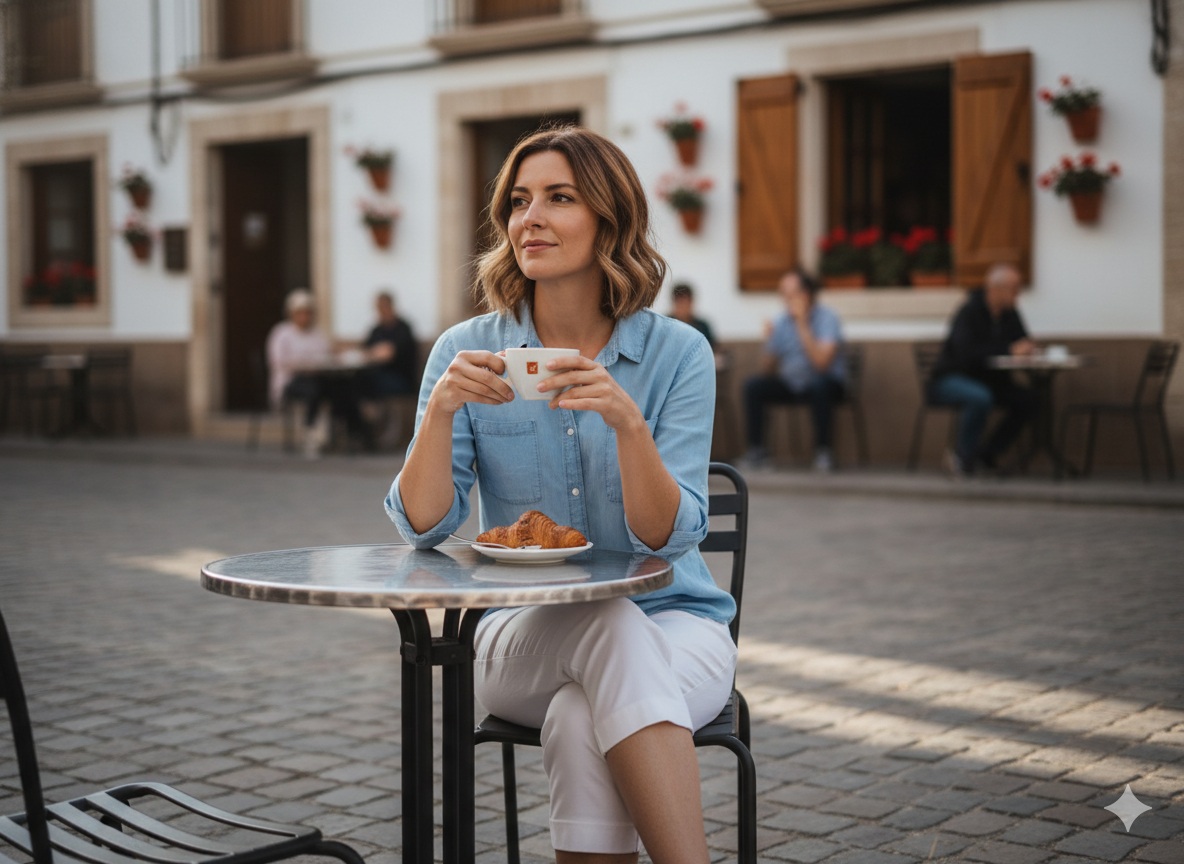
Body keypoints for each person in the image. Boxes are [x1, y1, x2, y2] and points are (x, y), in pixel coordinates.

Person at [384, 126, 735, 864]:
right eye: (518, 201)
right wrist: (441, 411)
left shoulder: (678, 355)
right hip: (520, 636)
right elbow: (423, 526)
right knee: (605, 621)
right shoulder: (464, 351)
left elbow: (668, 538)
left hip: (678, 626)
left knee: (581, 715)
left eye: (559, 198)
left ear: (610, 219)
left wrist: (628, 423)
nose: (530, 219)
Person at [928, 262, 1039, 477]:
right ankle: (963, 457)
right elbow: (966, 353)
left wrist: (1026, 348)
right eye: (1014, 288)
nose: (1018, 294)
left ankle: (987, 454)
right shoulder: (970, 312)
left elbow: (1021, 340)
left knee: (1029, 400)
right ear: (995, 288)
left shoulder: (1010, 314)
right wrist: (1009, 349)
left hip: (990, 380)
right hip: (951, 378)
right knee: (979, 397)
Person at [740, 268, 847, 472]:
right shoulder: (780, 321)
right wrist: (770, 341)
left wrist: (802, 323)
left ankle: (823, 452)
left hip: (826, 383)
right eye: (783, 294)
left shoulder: (828, 318)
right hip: (791, 383)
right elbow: (767, 369)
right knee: (754, 386)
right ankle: (757, 451)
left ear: (805, 294)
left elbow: (822, 364)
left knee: (819, 386)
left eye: (789, 294)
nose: (785, 299)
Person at [266, 289, 368, 458]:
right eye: (301, 313)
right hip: (291, 381)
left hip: (318, 378)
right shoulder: (281, 333)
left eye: (308, 313)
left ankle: (350, 432)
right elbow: (278, 362)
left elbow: (327, 355)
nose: (305, 317)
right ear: (292, 314)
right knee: (313, 389)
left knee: (343, 387)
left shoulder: (317, 334)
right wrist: (306, 365)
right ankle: (311, 433)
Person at [361, 290, 419, 398]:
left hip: (400, 378)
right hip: (378, 373)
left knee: (363, 383)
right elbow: (365, 350)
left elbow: (389, 354)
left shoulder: (403, 328)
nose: (381, 311)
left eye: (383, 307)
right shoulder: (376, 330)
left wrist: (379, 352)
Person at [667, 282, 717, 351]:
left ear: (691, 302)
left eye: (685, 303)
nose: (683, 307)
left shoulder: (703, 326)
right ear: (674, 302)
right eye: (680, 303)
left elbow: (711, 350)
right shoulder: (666, 326)